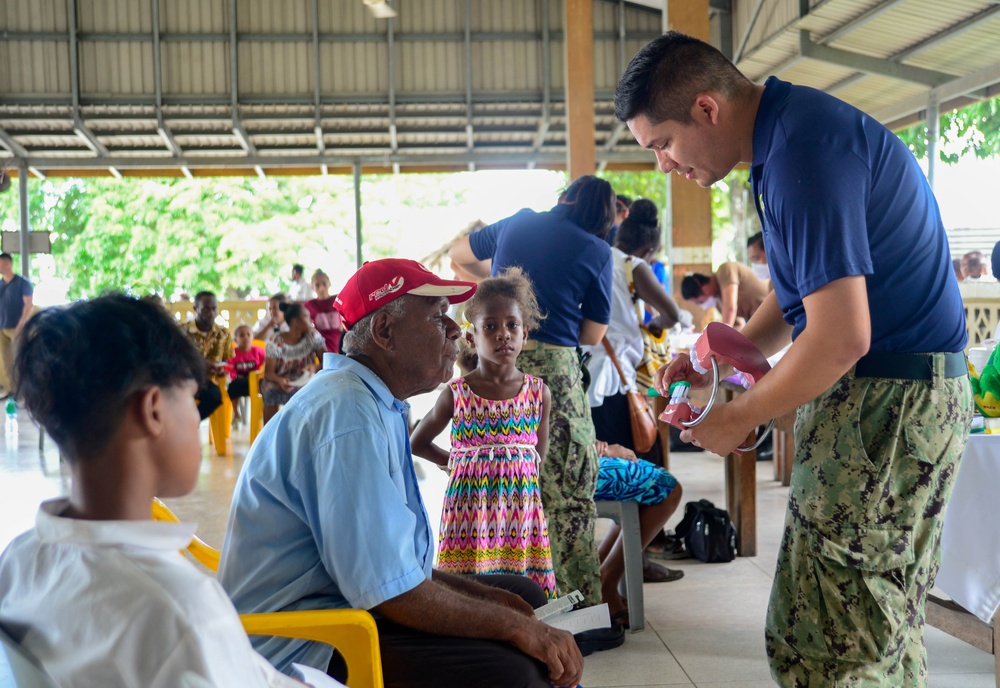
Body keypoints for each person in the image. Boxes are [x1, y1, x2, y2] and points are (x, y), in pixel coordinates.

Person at [615, 31, 971, 686]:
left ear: (706, 109)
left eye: (661, 144)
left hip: (887, 402)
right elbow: (804, 293)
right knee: (857, 627)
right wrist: (721, 354)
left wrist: (738, 416)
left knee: (837, 640)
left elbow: (841, 336)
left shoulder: (804, 149)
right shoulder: (788, 138)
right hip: (886, 399)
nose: (664, 166)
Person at [218, 258, 584, 688]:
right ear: (384, 332)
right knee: (517, 670)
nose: (453, 330)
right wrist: (511, 627)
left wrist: (490, 602)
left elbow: (394, 566)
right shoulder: (348, 416)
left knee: (523, 597)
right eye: (436, 317)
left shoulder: (376, 401)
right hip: (304, 644)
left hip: (349, 605)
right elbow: (390, 589)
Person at [0, 295, 305, 688]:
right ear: (154, 410)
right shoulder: (181, 611)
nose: (198, 414)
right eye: (193, 398)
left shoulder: (19, 560)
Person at [449, 175, 625, 652]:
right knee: (568, 499)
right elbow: (591, 335)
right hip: (554, 375)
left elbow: (459, 254)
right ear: (604, 218)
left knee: (505, 497)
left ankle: (512, 615)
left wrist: (494, 299)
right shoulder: (596, 249)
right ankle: (578, 622)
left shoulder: (519, 222)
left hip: (495, 371)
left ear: (564, 197)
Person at [410, 268, 557, 600]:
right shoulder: (457, 393)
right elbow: (416, 443)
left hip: (519, 511)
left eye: (512, 326)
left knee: (521, 591)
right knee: (469, 590)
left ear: (525, 334)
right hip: (469, 512)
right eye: (490, 326)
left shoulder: (538, 393)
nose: (503, 334)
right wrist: (458, 462)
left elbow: (537, 459)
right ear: (472, 338)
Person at [593, 440, 682, 629]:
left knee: (637, 480)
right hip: (564, 464)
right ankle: (606, 583)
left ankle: (593, 575)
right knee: (667, 487)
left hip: (542, 462)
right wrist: (605, 450)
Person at [260, 302, 325, 423]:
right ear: (297, 322)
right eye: (307, 317)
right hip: (280, 382)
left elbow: (327, 362)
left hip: (305, 381)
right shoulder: (277, 340)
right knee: (270, 391)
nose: (311, 320)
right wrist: (280, 381)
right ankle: (269, 434)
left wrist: (314, 367)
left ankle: (310, 433)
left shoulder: (313, 336)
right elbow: (268, 373)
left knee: (317, 390)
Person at [183, 291, 231, 420]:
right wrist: (197, 365)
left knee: (215, 396)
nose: (211, 312)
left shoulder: (224, 334)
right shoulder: (181, 331)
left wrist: (223, 370)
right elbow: (172, 360)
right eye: (206, 308)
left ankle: (189, 422)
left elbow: (229, 361)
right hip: (184, 378)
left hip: (207, 382)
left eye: (214, 308)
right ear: (195, 309)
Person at [680, 262, 768, 329]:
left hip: (776, 306)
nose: (703, 305)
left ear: (705, 289)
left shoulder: (724, 271)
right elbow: (738, 325)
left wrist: (721, 337)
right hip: (765, 322)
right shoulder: (719, 303)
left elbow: (730, 309)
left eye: (701, 302)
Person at [0, 252, 33, 400]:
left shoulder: (22, 282)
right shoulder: (1, 284)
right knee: (6, 360)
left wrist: (22, 323)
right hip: (2, 327)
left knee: (19, 359)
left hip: (16, 327)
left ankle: (26, 391)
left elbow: (28, 305)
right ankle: (11, 390)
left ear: (7, 264)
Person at [227, 324, 266, 426]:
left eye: (249, 335)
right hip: (239, 381)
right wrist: (234, 376)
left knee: (265, 386)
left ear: (253, 337)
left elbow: (266, 364)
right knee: (232, 387)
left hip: (256, 380)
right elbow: (231, 369)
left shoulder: (258, 351)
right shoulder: (232, 353)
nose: (246, 338)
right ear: (236, 339)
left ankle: (262, 413)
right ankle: (236, 414)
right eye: (242, 335)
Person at [305, 269, 342, 353]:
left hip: (340, 346)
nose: (321, 288)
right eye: (317, 285)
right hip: (320, 349)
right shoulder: (309, 305)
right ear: (312, 287)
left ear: (329, 283)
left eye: (324, 284)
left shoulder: (338, 300)